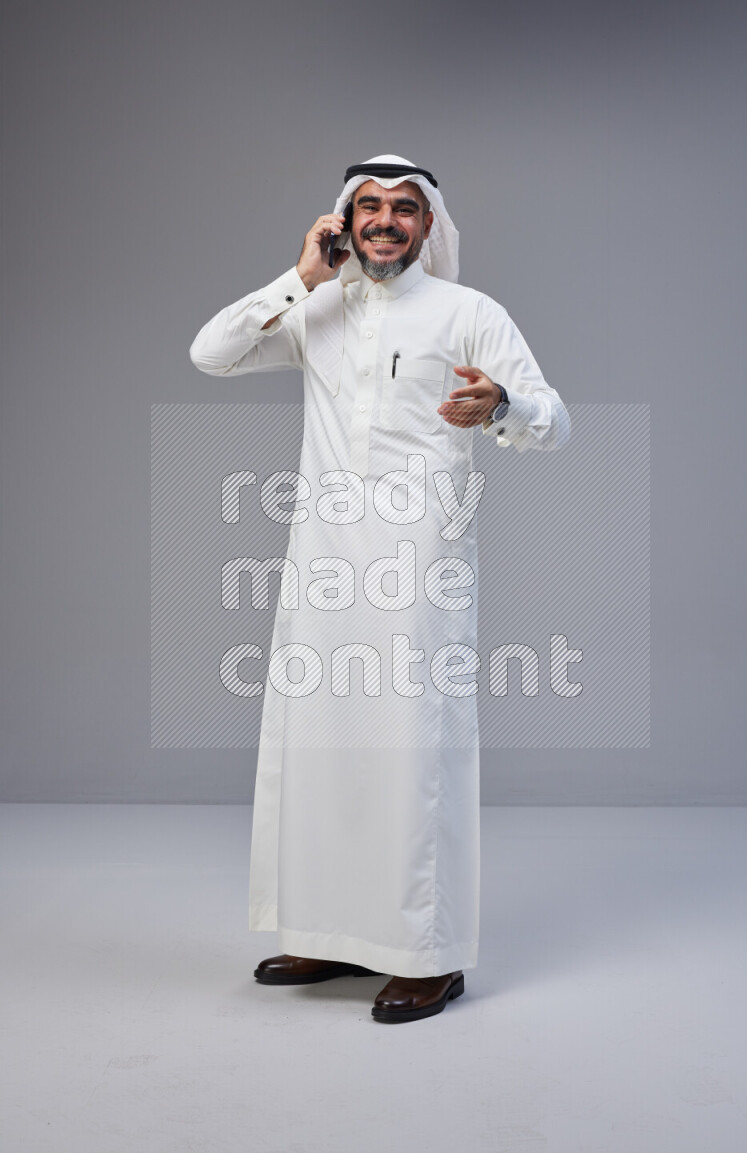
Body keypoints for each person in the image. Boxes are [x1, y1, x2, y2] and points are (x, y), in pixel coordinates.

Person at [190, 154, 570, 1024]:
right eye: (369, 208)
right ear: (344, 221)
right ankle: (328, 932)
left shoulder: (469, 312)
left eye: (405, 209)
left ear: (430, 225)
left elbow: (556, 418)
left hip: (417, 567)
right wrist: (298, 276)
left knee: (411, 753)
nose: (386, 222)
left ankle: (428, 958)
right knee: (323, 746)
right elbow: (209, 353)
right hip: (323, 565)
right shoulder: (315, 309)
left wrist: (505, 403)